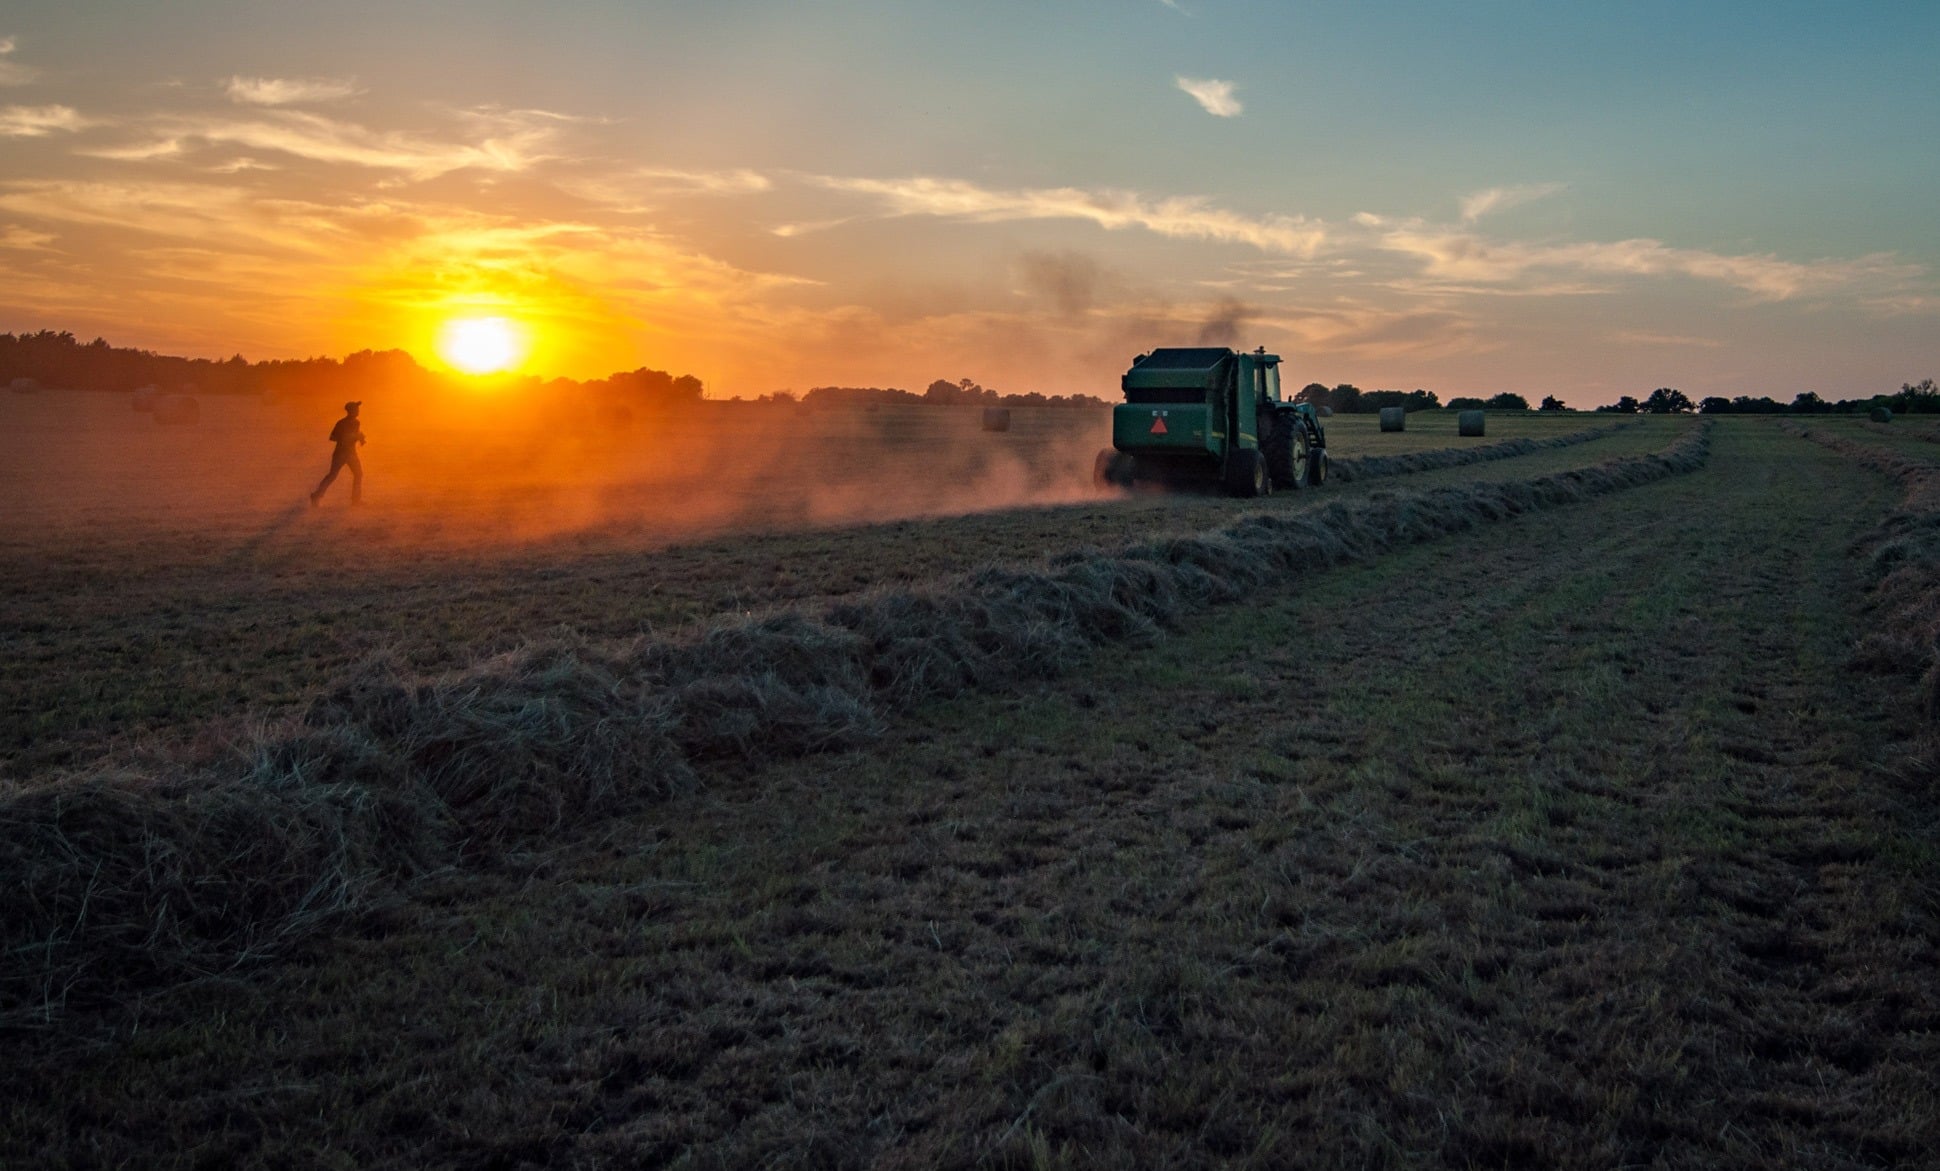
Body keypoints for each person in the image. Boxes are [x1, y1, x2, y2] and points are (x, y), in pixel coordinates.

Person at [311, 400, 366, 506]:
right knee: (333, 475)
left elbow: (355, 434)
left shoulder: (356, 422)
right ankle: (316, 495)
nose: (358, 410)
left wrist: (360, 438)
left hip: (351, 453)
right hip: (341, 453)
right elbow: (333, 437)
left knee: (358, 474)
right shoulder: (341, 423)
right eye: (356, 409)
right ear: (351, 411)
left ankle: (356, 500)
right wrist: (349, 437)